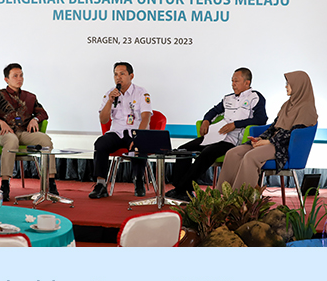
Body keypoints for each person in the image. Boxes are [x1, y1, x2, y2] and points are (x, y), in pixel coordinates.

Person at [165, 68, 267, 202]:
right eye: (232, 81)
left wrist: (235, 124)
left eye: (236, 81)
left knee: (207, 153)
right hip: (217, 135)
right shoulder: (228, 98)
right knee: (182, 150)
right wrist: (206, 120)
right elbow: (213, 111)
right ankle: (182, 189)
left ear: (247, 83)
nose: (233, 84)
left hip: (233, 141)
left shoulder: (255, 97)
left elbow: (261, 119)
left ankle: (182, 189)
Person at [217, 70, 317, 191]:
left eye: (289, 84)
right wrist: (260, 138)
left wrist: (268, 142)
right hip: (272, 141)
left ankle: (240, 197)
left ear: (299, 85)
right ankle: (222, 195)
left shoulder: (307, 108)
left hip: (283, 147)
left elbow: (292, 134)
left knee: (251, 156)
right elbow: (274, 126)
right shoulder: (287, 105)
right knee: (233, 153)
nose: (286, 86)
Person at [0, 63, 57, 202]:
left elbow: (43, 113)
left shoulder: (30, 97)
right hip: (3, 133)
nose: (19, 78)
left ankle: (50, 183)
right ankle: (5, 184)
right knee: (11, 139)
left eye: (21, 75)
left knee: (45, 140)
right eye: (15, 76)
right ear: (6, 79)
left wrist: (35, 119)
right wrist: (0, 122)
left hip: (23, 133)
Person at [89, 62, 152, 199]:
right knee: (100, 143)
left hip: (134, 132)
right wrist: (110, 101)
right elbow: (103, 120)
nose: (118, 77)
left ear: (131, 76)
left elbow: (146, 117)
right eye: (116, 74)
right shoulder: (109, 94)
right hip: (116, 133)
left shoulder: (141, 92)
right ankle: (100, 184)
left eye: (122, 74)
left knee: (140, 145)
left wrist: (139, 137)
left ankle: (139, 180)